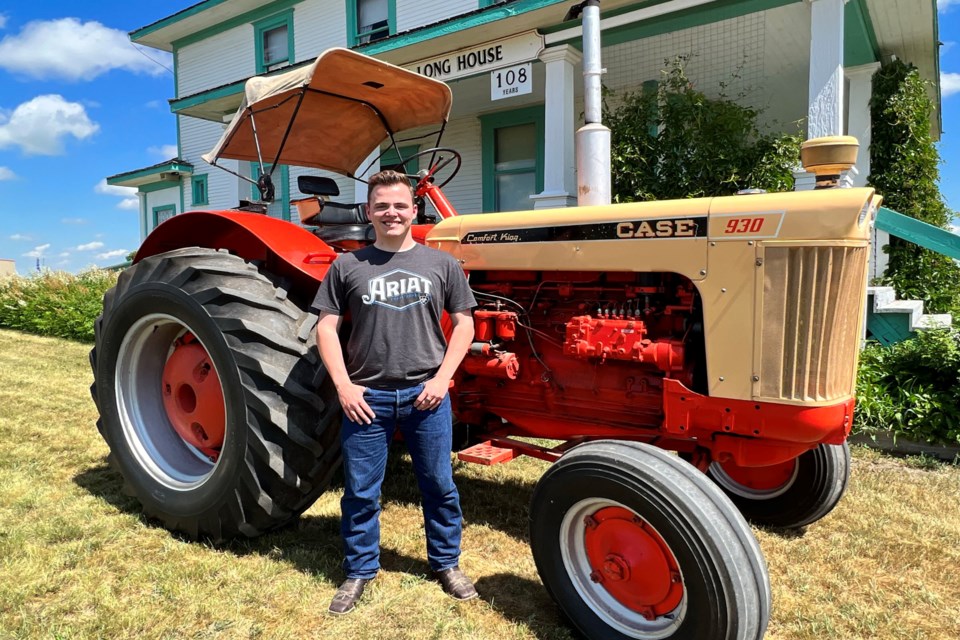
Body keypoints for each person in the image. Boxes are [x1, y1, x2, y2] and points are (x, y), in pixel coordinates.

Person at [312, 169, 478, 616]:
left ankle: (446, 563)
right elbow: (325, 327)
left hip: (426, 396)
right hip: (368, 399)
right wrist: (344, 386)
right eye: (382, 206)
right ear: (369, 212)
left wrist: (442, 379)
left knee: (439, 485)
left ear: (414, 209)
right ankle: (359, 569)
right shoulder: (348, 265)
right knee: (362, 491)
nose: (391, 213)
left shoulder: (441, 264)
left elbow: (465, 324)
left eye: (400, 205)